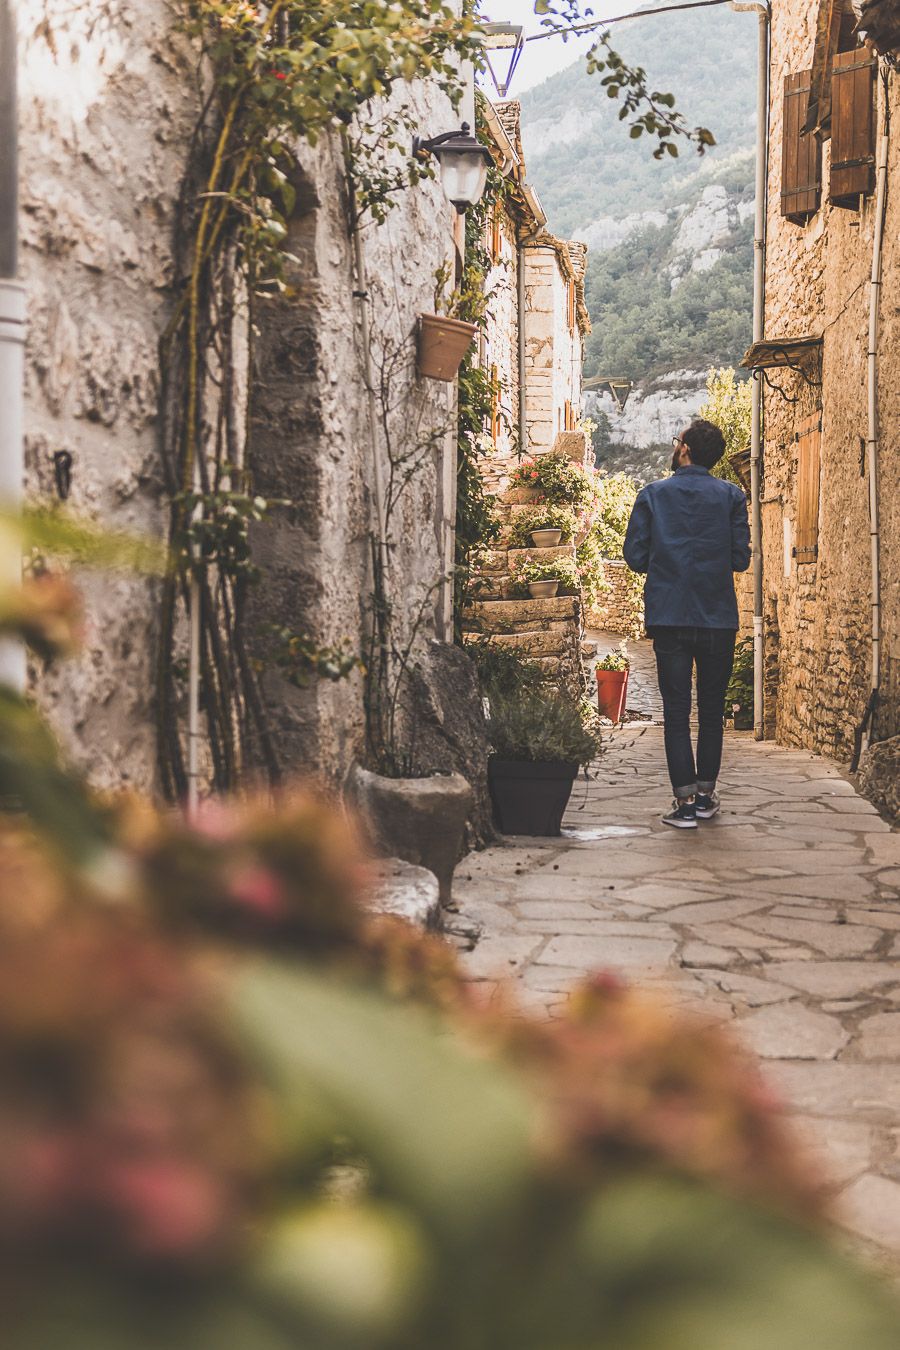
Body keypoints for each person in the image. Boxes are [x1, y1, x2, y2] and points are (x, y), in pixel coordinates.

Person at [623, 419, 751, 829]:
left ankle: (684, 805)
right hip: (717, 618)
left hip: (670, 616)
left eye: (678, 441)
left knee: (677, 713)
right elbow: (741, 559)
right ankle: (707, 795)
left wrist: (667, 560)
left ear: (684, 451)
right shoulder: (732, 496)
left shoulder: (653, 495)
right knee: (711, 711)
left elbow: (635, 558)